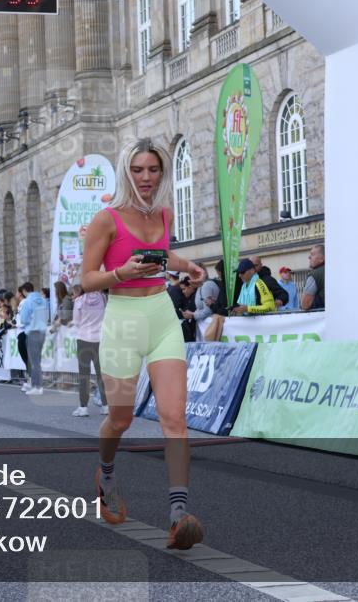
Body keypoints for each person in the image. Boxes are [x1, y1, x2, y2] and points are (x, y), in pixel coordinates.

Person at [81, 138, 206, 550]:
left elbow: (164, 255)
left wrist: (191, 267)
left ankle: (178, 513)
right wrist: (122, 272)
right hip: (122, 319)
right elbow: (86, 280)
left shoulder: (164, 214)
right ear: (125, 172)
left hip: (162, 316)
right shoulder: (106, 219)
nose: (146, 178)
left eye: (153, 170)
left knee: (174, 417)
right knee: (120, 419)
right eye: (138, 170)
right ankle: (107, 473)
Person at [71, 284, 108, 416]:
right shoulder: (103, 298)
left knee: (84, 375)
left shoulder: (79, 301)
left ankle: (83, 407)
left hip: (84, 339)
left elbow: (76, 321)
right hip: (100, 339)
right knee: (101, 374)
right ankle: (105, 405)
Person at [18, 282, 49, 396]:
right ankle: (37, 385)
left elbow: (23, 319)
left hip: (32, 331)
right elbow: (47, 316)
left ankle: (37, 386)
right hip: (42, 331)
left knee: (33, 361)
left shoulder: (28, 301)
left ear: (25, 291)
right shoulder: (43, 300)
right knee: (37, 360)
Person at [194, 260, 228, 341]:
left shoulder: (207, 285)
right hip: (206, 326)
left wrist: (193, 315)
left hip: (210, 326)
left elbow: (208, 311)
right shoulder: (201, 285)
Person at [168, 276, 198, 342]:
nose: (183, 292)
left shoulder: (196, 298)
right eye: (181, 290)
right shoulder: (189, 298)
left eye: (184, 289)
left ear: (190, 287)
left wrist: (193, 315)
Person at [301, 244, 325, 310]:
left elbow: (305, 304)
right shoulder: (339, 270)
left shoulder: (314, 275)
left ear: (322, 258)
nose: (309, 257)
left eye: (312, 254)